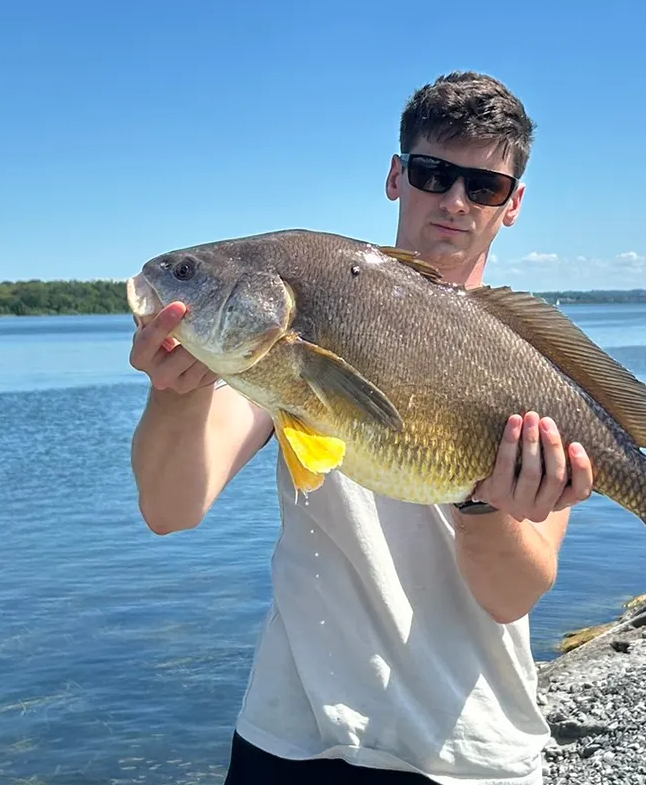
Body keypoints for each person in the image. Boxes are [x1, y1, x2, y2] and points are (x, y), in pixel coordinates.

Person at [128, 72, 591, 784]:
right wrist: (175, 393)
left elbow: (511, 596)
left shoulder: (529, 369)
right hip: (292, 737)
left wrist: (480, 503)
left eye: (485, 187)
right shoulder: (291, 335)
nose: (456, 202)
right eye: (434, 174)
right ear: (396, 176)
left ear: (514, 204)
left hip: (471, 753)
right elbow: (170, 509)